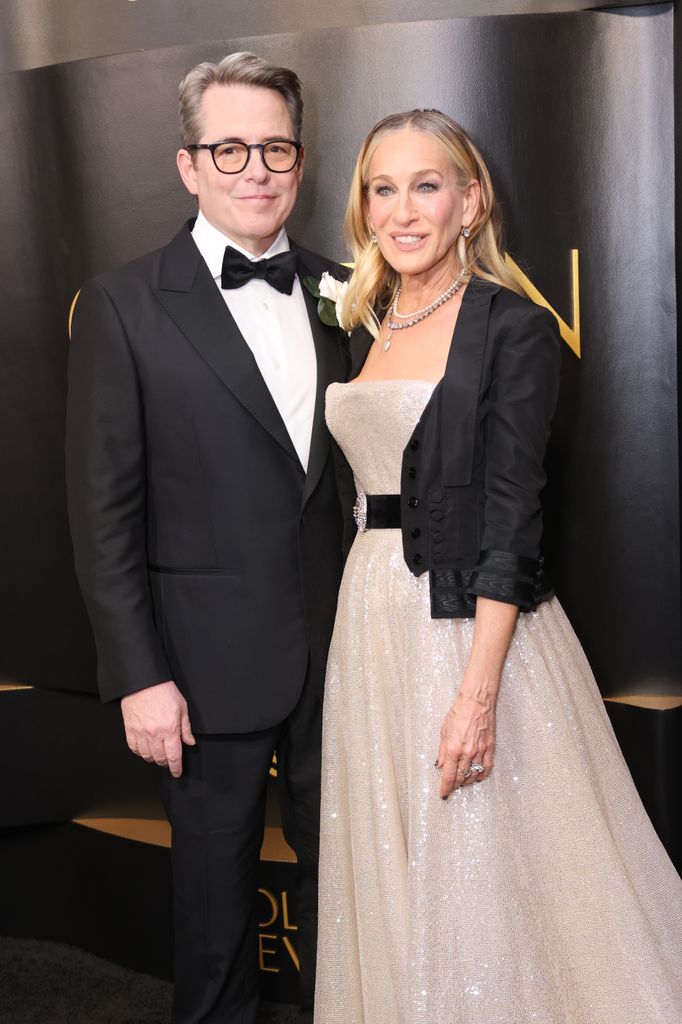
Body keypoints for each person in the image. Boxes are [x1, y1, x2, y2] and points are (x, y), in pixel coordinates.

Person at [314, 109, 682, 1024]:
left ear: (471, 202)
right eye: (382, 188)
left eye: (426, 185)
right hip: (368, 625)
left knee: (487, 866)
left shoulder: (512, 327)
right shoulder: (368, 320)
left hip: (468, 629)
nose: (402, 211)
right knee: (400, 861)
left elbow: (515, 515)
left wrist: (478, 694)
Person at [65, 53, 348, 1024]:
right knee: (215, 912)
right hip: (197, 666)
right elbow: (101, 512)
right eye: (229, 148)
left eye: (274, 146)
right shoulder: (122, 305)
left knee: (344, 896)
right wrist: (137, 674)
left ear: (300, 160)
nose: (255, 168)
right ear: (188, 165)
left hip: (346, 659)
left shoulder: (346, 292)